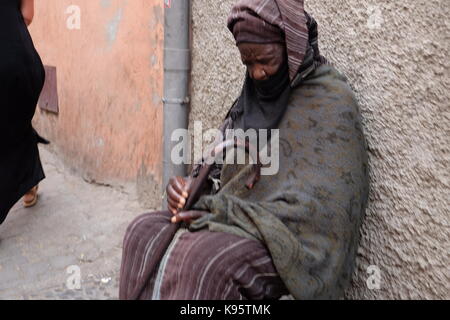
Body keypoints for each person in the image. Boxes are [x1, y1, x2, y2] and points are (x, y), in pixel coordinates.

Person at [119, 0, 369, 300]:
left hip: (292, 243)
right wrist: (188, 188)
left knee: (204, 261)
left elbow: (326, 214)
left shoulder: (330, 102)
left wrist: (230, 211)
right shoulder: (253, 99)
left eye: (265, 60)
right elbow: (214, 171)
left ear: (294, 47)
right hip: (234, 219)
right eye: (248, 64)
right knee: (143, 232)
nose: (258, 74)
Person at [0, 0, 47, 224]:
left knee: (11, 126)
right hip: (22, 61)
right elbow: (27, 15)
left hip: (11, 67)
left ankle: (26, 178)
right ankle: (29, 179)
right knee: (15, 123)